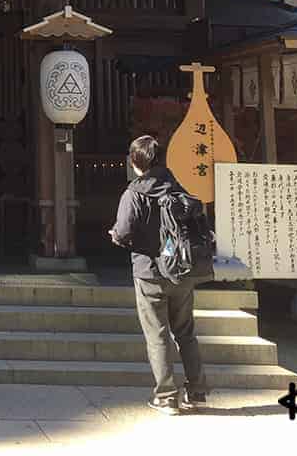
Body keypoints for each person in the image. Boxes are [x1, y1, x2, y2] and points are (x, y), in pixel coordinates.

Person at [109, 134, 208, 415]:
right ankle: (197, 391)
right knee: (186, 331)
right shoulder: (178, 189)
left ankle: (166, 396)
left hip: (149, 272)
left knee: (158, 334)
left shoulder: (134, 193)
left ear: (134, 161)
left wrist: (115, 235)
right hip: (181, 271)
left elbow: (124, 231)